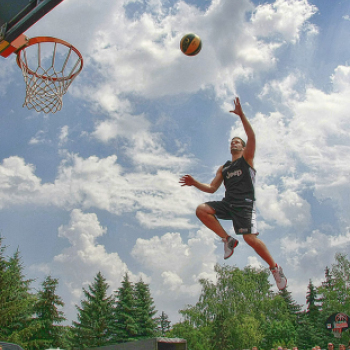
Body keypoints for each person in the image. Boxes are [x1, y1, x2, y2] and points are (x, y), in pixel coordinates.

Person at [179, 97, 287, 290]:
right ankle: (227, 239)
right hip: (228, 203)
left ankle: (274, 268)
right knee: (201, 210)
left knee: (250, 239)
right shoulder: (224, 167)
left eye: (237, 141)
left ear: (243, 147)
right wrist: (195, 183)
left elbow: (252, 137)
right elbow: (212, 188)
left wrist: (241, 115)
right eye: (232, 141)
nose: (233, 143)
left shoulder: (247, 159)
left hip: (245, 204)